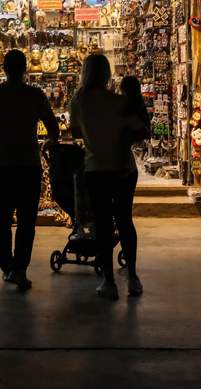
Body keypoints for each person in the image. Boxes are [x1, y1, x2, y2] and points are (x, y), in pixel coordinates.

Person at [0, 49, 59, 291]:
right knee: (27, 222)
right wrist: (50, 143)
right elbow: (53, 127)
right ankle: (19, 269)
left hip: (3, 165)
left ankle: (7, 265)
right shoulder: (35, 95)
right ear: (25, 69)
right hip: (29, 165)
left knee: (3, 219)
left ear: (4, 68)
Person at [70, 55, 147, 300]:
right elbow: (141, 129)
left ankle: (109, 282)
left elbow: (75, 131)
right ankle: (133, 277)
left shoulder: (78, 101)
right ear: (106, 73)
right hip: (124, 168)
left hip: (97, 168)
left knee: (102, 224)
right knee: (125, 220)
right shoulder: (118, 102)